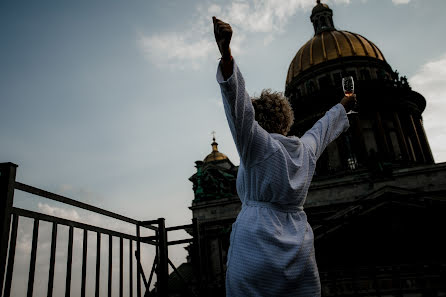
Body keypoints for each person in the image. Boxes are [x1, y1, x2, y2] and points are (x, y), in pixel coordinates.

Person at [213, 17, 356, 297]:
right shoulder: (305, 149)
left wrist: (226, 53)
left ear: (258, 120)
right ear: (286, 120)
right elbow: (324, 127)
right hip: (299, 247)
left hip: (255, 247)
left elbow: (236, 102)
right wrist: (345, 101)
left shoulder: (255, 145)